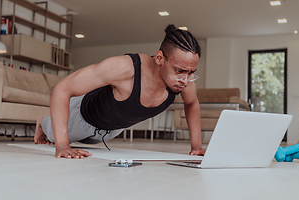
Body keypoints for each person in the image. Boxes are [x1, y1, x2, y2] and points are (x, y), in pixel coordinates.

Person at [34, 24, 206, 159]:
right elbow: (61, 88)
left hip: (111, 130)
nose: (186, 79)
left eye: (191, 72)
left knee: (87, 144)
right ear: (160, 58)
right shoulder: (125, 68)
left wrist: (196, 145)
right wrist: (63, 145)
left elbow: (192, 103)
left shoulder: (184, 80)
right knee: (57, 137)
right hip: (81, 117)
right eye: (179, 71)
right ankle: (42, 123)